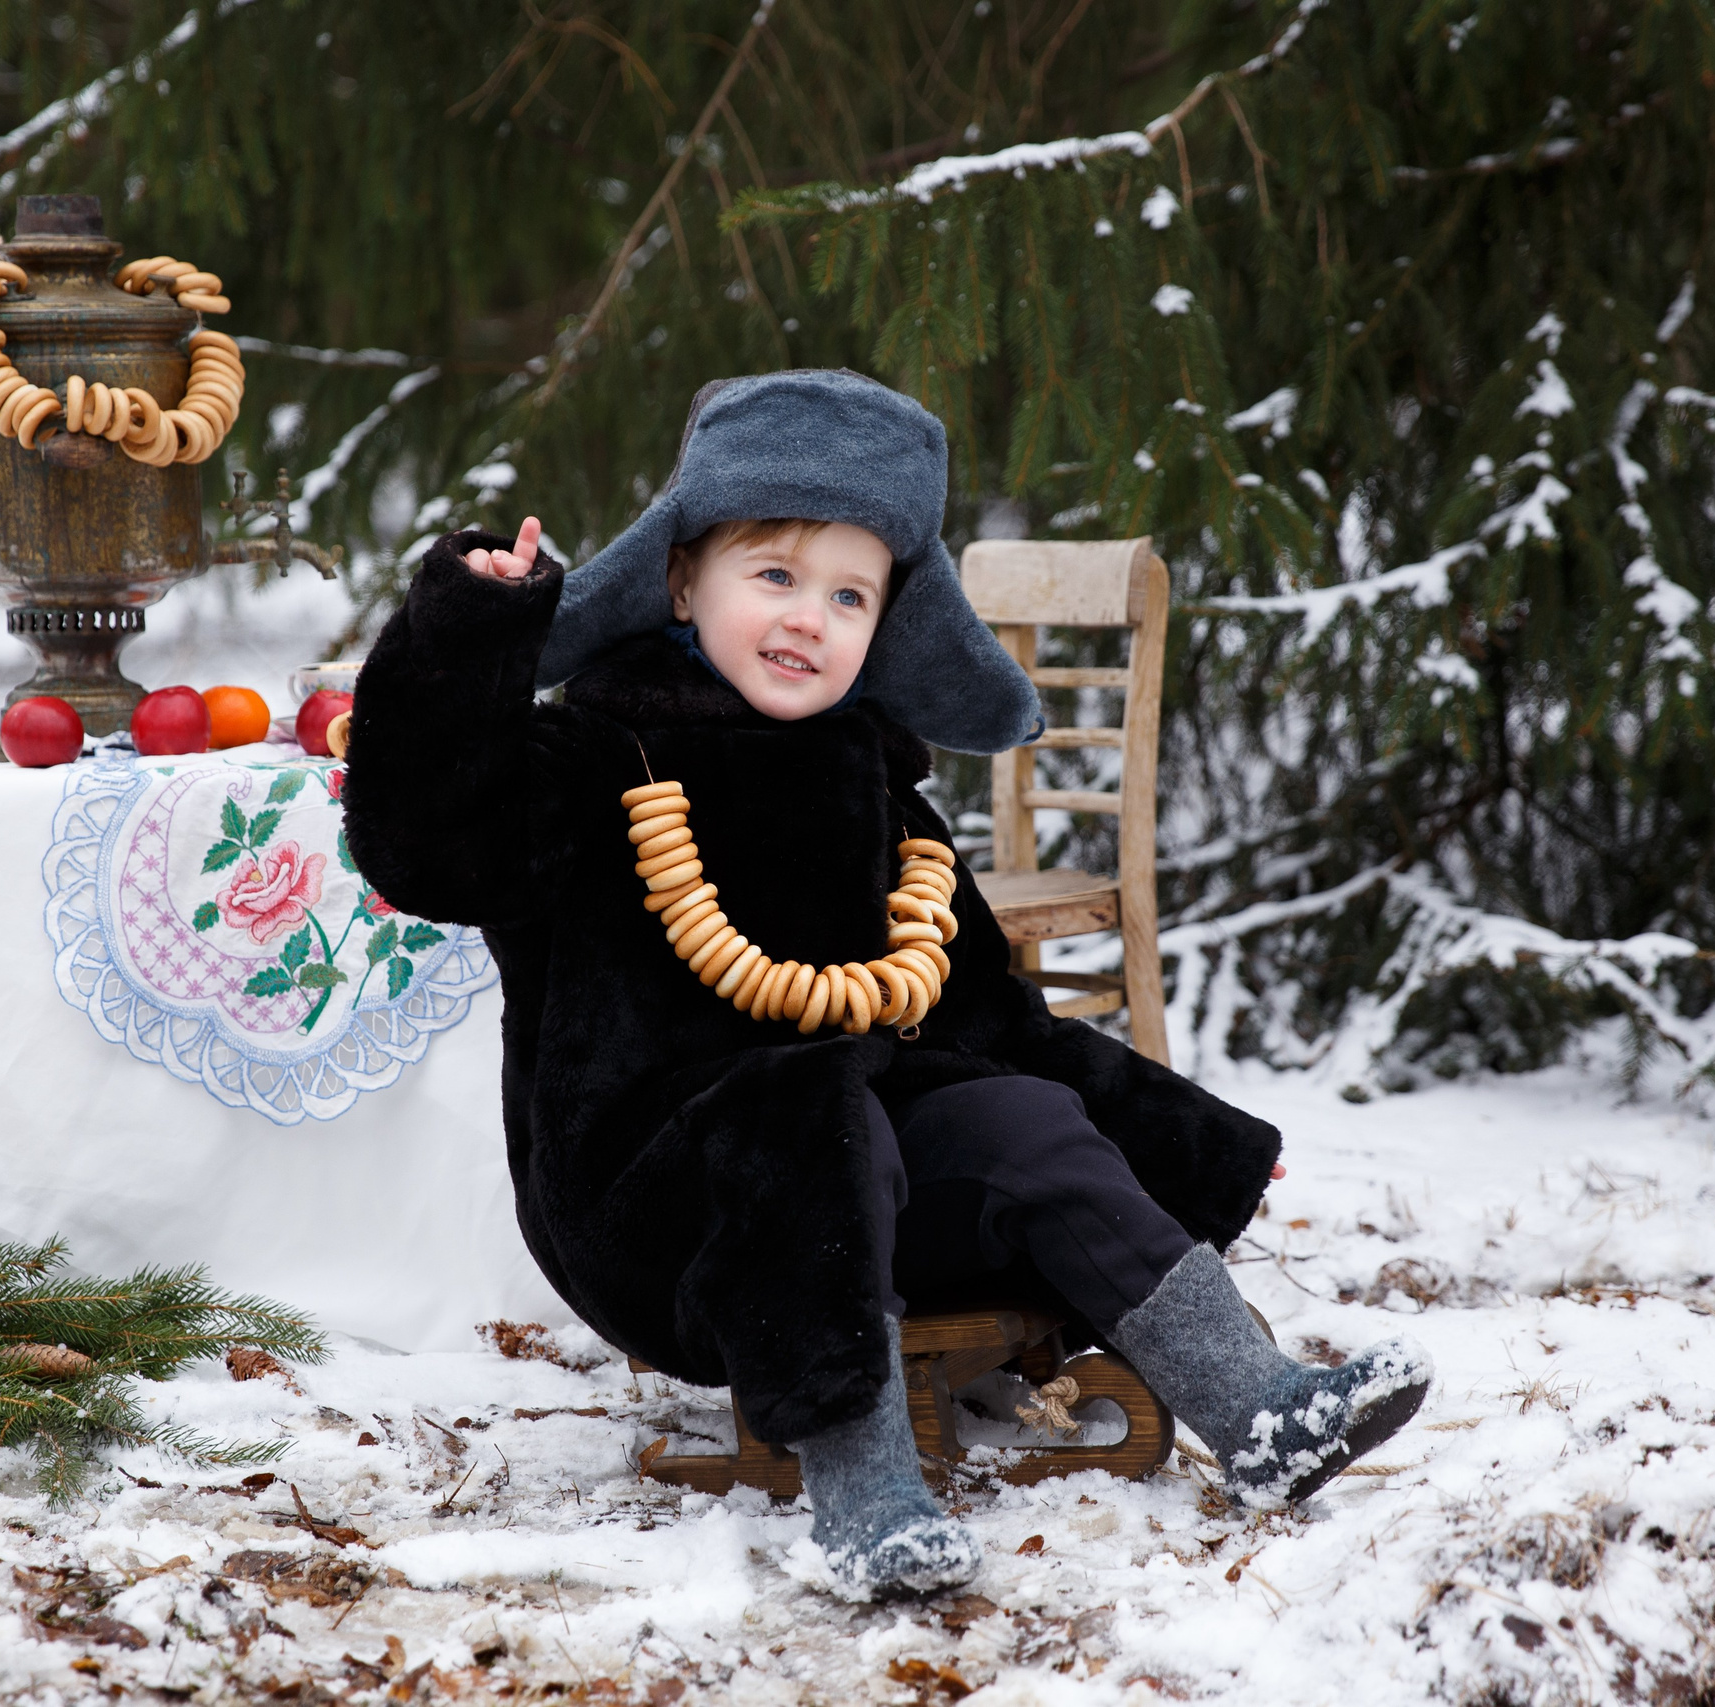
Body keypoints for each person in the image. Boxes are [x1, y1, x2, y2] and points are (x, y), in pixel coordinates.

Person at [343, 370, 1431, 1598]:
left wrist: (1179, 1135)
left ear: (887, 625)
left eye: (848, 593)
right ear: (678, 581)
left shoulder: (880, 797)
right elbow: (421, 838)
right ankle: (863, 1493)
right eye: (773, 576)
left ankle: (1259, 1410)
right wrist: (464, 633)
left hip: (873, 1188)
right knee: (806, 1109)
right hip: (662, 1205)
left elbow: (990, 1017)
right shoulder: (591, 764)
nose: (809, 617)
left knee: (1012, 1113)